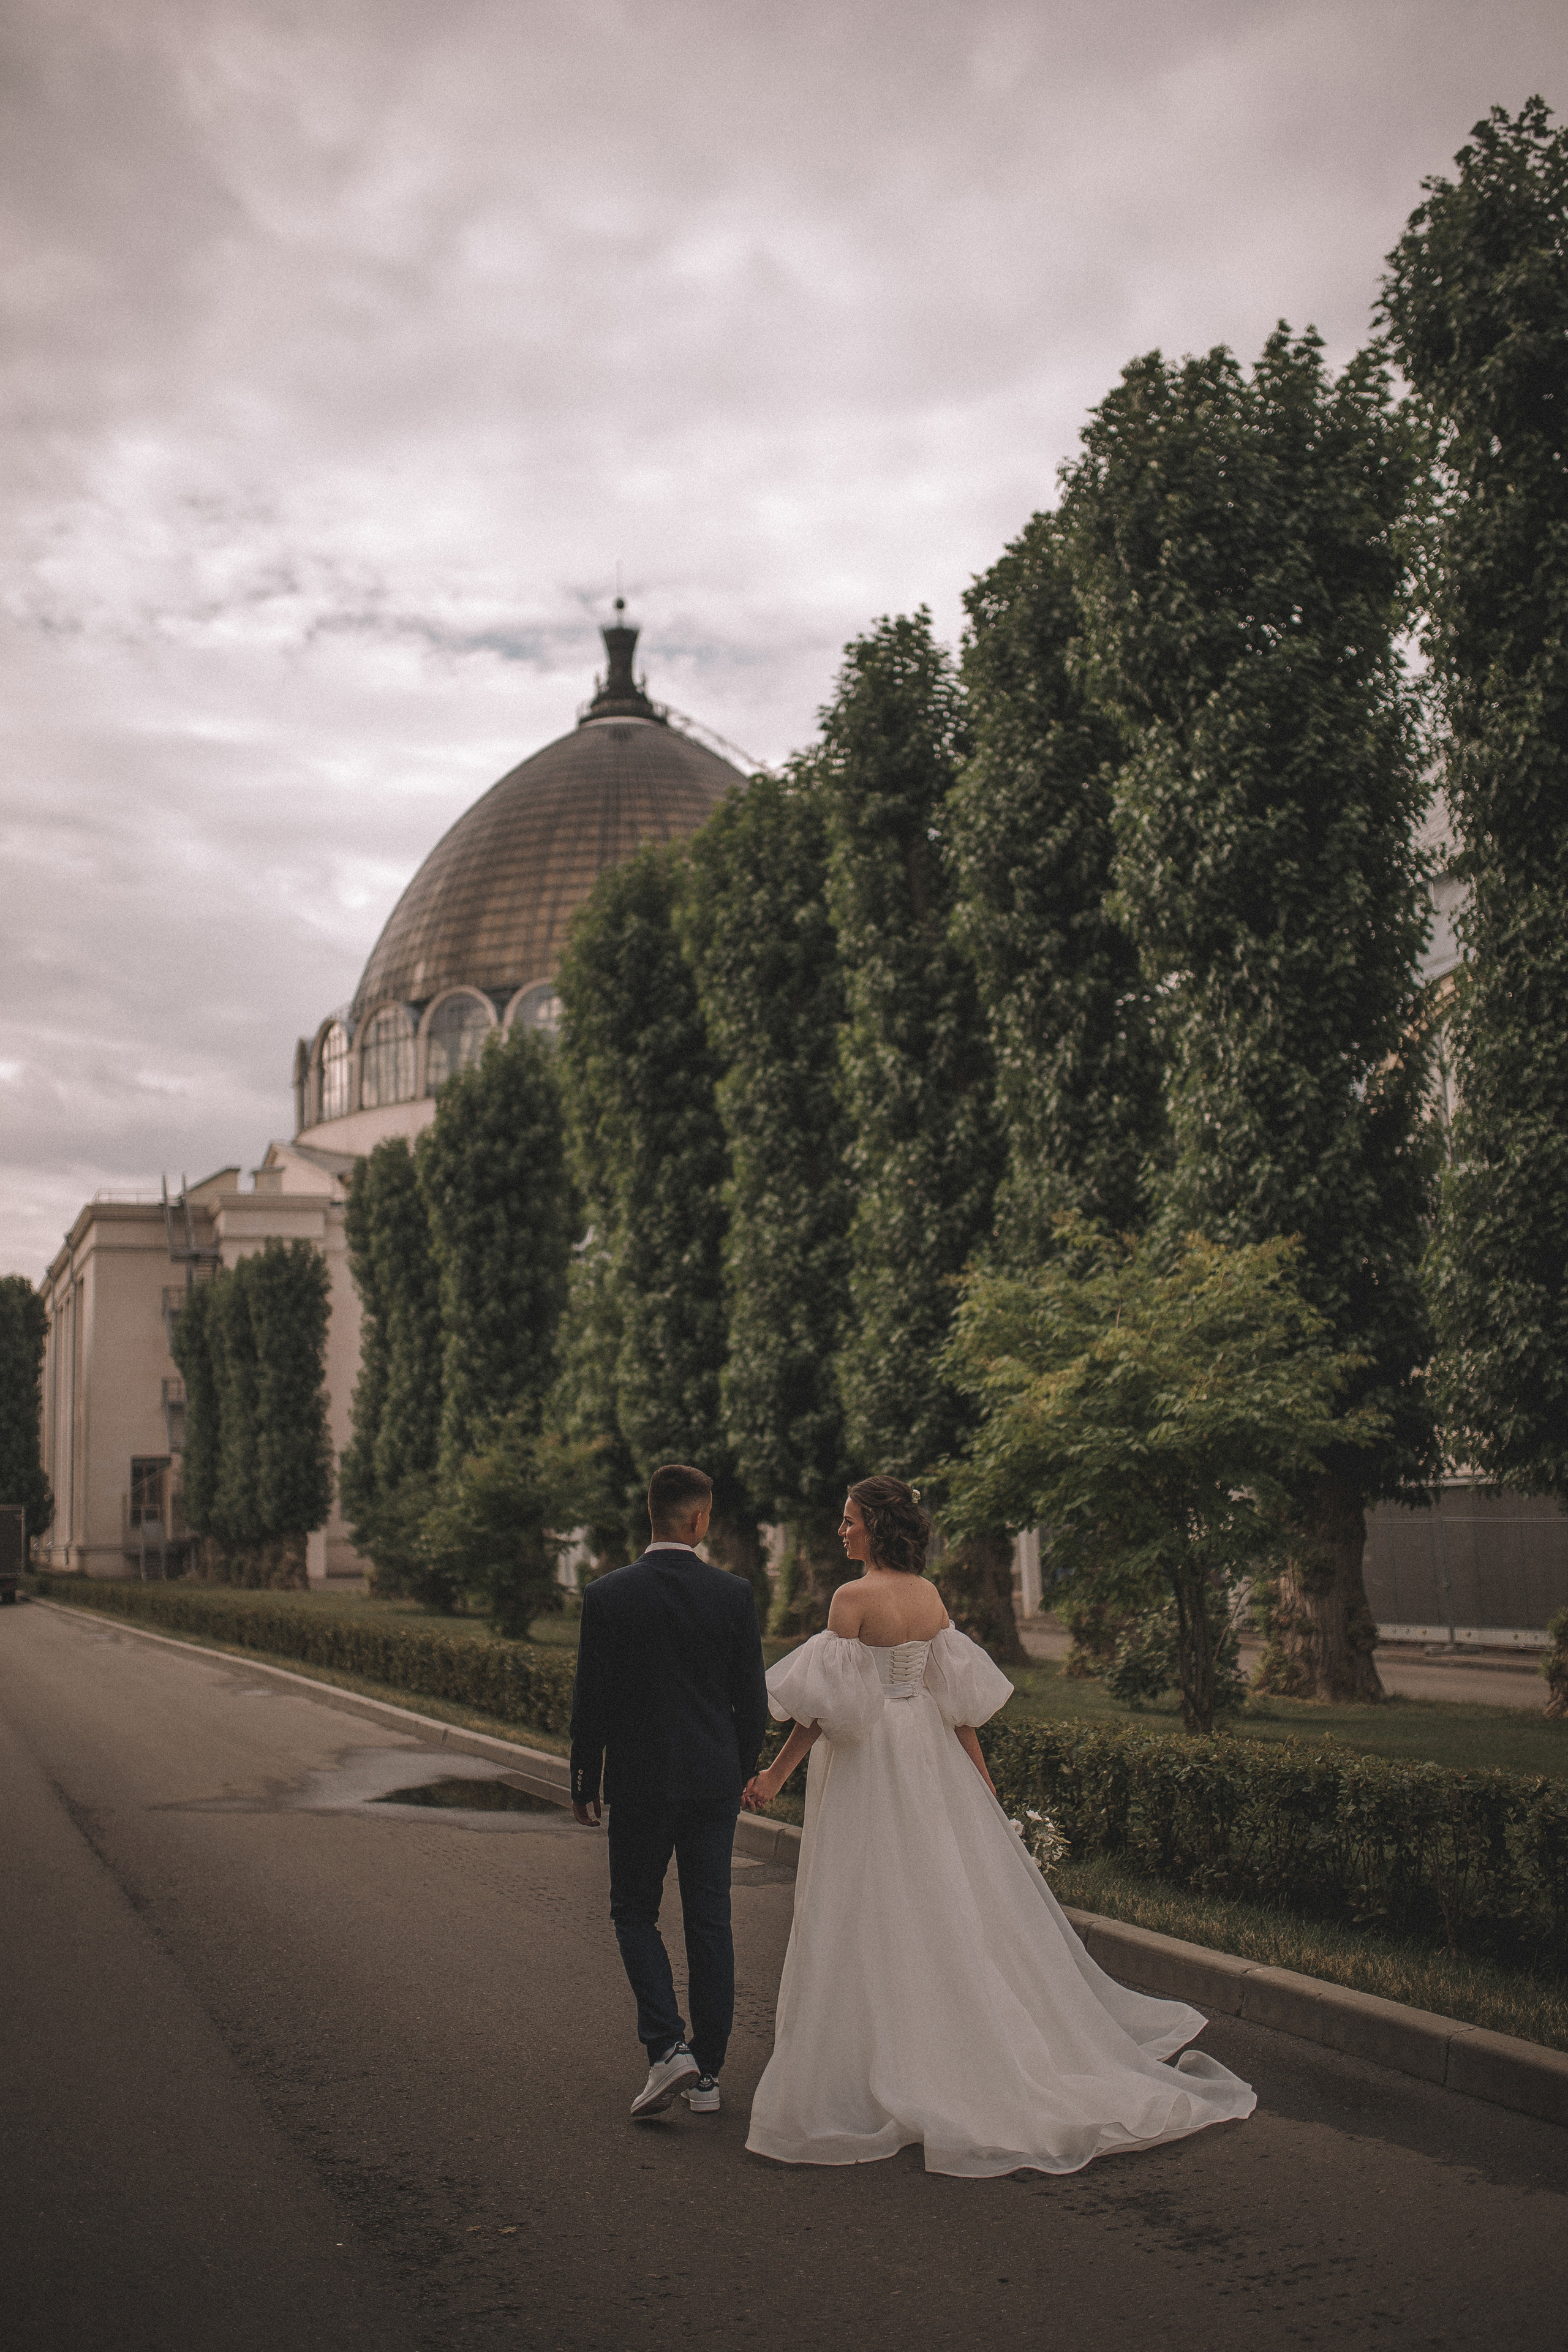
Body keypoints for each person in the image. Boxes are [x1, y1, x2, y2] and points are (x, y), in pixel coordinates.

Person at [742, 1474, 1256, 2176]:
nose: (842, 1531)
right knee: (944, 1897)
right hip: (925, 1752)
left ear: (875, 1527)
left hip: (874, 1761)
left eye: (849, 1521)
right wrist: (979, 1781)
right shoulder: (926, 1596)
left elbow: (826, 1709)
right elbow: (951, 1703)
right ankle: (949, 2039)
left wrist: (775, 1775)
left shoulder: (852, 1598)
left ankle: (884, 2055)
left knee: (870, 1900)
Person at [570, 1463, 769, 2119]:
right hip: (713, 1781)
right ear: (700, 1520)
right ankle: (707, 2073)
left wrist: (584, 1777)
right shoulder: (733, 1593)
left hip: (640, 1781)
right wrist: (739, 1770)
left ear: (650, 1516)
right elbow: (751, 1700)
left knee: (634, 1912)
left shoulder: (608, 1595)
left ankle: (667, 2045)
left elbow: (591, 1699)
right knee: (709, 1918)